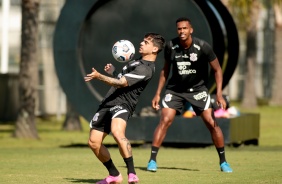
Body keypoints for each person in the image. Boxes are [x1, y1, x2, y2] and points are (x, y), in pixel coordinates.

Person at [146, 17, 233, 173]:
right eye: (179, 29)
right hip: (175, 90)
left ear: (191, 30)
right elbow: (165, 70)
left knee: (211, 123)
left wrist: (219, 94)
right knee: (165, 120)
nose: (182, 31)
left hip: (198, 90)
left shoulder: (203, 47)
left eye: (185, 28)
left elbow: (217, 70)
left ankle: (223, 162)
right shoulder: (171, 46)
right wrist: (158, 93)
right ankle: (152, 160)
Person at [84, 33, 165, 184]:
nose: (141, 43)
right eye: (142, 40)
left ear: (154, 49)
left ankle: (132, 174)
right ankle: (114, 175)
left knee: (117, 132)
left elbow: (121, 83)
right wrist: (114, 72)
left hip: (123, 104)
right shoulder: (137, 62)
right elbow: (122, 79)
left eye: (146, 42)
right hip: (108, 102)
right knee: (93, 142)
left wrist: (99, 76)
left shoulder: (146, 69)